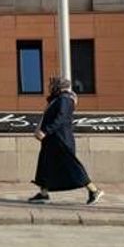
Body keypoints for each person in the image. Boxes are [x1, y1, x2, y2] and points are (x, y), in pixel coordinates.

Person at [28, 77, 103, 205]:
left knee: (71, 166)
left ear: (59, 86)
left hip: (61, 140)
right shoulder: (57, 99)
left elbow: (61, 118)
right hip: (52, 140)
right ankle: (43, 193)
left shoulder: (65, 99)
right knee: (45, 165)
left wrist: (46, 131)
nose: (50, 88)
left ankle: (94, 190)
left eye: (52, 85)